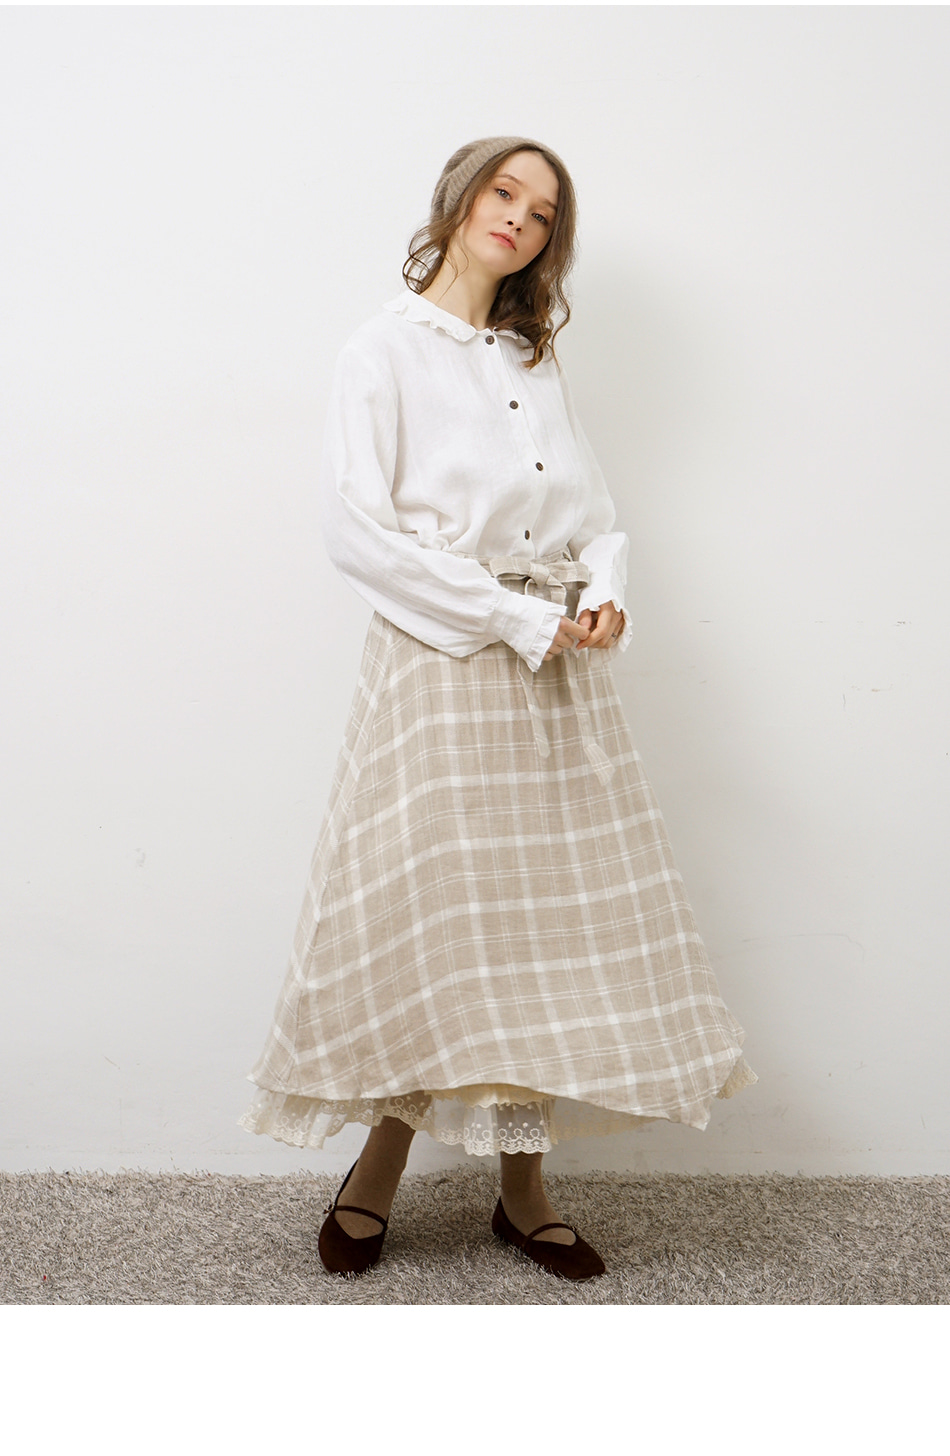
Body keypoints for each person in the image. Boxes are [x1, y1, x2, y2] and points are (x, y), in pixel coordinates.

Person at [239, 135, 757, 1281]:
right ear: (459, 198)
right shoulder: (382, 351)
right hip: (445, 660)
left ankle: (522, 1191)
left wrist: (604, 593)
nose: (518, 216)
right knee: (434, 925)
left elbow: (592, 515)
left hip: (555, 672)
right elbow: (356, 533)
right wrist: (510, 616)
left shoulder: (533, 361)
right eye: (502, 190)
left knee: (542, 937)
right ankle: (378, 1164)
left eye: (542, 210)